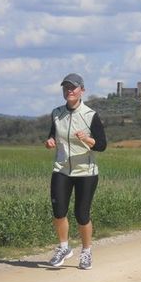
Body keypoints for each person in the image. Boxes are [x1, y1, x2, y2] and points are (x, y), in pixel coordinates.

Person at [44, 73, 107, 269]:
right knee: (58, 211)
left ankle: (86, 252)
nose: (69, 91)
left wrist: (87, 139)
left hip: (85, 172)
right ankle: (64, 247)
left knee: (81, 214)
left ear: (82, 90)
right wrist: (49, 141)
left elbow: (102, 145)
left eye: (73, 87)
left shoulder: (90, 115)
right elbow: (52, 135)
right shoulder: (56, 113)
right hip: (61, 168)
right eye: (66, 88)